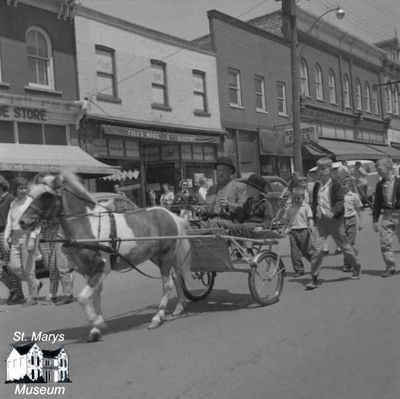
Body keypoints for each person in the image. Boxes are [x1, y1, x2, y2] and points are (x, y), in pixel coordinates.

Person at [306, 157, 362, 290]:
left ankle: (356, 266)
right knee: (317, 249)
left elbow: (340, 201)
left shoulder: (336, 184)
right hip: (321, 221)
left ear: (330, 170)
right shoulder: (316, 186)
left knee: (345, 247)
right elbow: (315, 203)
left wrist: (334, 211)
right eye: (318, 169)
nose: (320, 171)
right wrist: (313, 218)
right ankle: (314, 278)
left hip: (335, 221)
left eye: (323, 168)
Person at [4, 177, 42, 305]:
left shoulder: (31, 202)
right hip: (15, 237)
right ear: (15, 189)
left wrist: (32, 239)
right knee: (13, 266)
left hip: (27, 236)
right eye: (21, 188)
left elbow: (37, 222)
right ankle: (36, 283)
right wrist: (5, 238)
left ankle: (33, 297)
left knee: (28, 269)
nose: (24, 190)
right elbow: (9, 222)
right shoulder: (13, 203)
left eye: (25, 188)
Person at [372, 157, 400, 277]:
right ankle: (390, 267)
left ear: (388, 168)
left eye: (380, 169)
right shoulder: (380, 184)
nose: (378, 171)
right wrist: (375, 220)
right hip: (387, 215)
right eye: (377, 169)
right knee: (384, 243)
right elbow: (377, 203)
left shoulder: (399, 182)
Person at [200, 156, 247, 226]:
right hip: (210, 221)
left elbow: (243, 208)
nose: (220, 173)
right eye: (218, 170)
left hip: (229, 222)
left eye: (223, 170)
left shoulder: (239, 187)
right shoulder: (211, 189)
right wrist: (201, 209)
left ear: (230, 171)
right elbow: (206, 208)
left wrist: (228, 205)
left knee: (210, 225)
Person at [0, 175, 24, 305]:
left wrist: (9, 236)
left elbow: (13, 218)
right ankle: (13, 289)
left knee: (9, 267)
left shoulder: (9, 198)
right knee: (3, 269)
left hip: (5, 233)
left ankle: (19, 294)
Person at [282, 187, 314, 277]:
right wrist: (283, 227)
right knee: (294, 252)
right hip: (293, 232)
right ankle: (298, 269)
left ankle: (315, 262)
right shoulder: (290, 208)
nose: (296, 200)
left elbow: (310, 218)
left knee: (306, 251)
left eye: (298, 198)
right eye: (294, 198)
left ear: (303, 198)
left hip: (303, 231)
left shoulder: (306, 207)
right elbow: (286, 220)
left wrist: (311, 226)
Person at [341, 176, 363, 273]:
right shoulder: (338, 196)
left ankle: (348, 264)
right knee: (344, 244)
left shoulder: (354, 196)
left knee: (349, 243)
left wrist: (360, 223)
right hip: (341, 221)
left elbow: (359, 210)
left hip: (351, 220)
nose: (343, 187)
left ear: (350, 186)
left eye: (345, 185)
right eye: (342, 185)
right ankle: (353, 254)